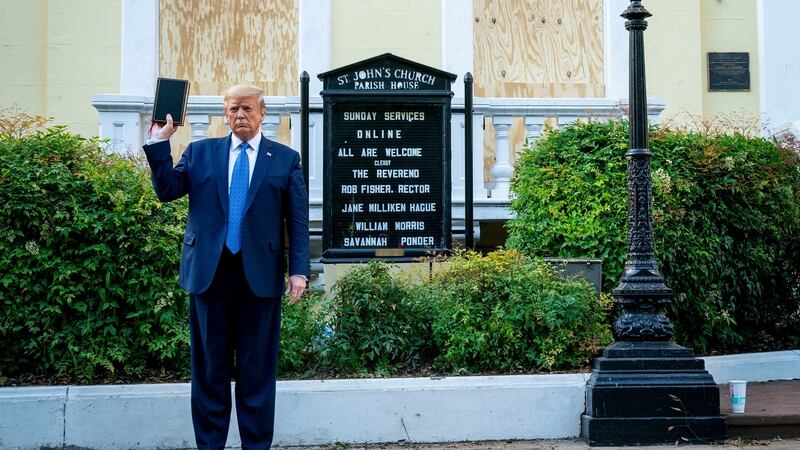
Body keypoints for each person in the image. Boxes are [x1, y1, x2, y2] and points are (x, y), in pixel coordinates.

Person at [143, 84, 310, 449]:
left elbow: (296, 221)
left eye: (248, 109)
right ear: (225, 114)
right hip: (209, 276)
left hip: (260, 279)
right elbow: (167, 190)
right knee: (209, 371)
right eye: (233, 109)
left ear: (262, 113)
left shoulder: (284, 159)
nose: (240, 116)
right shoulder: (201, 153)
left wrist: (299, 270)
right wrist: (159, 143)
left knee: (257, 372)